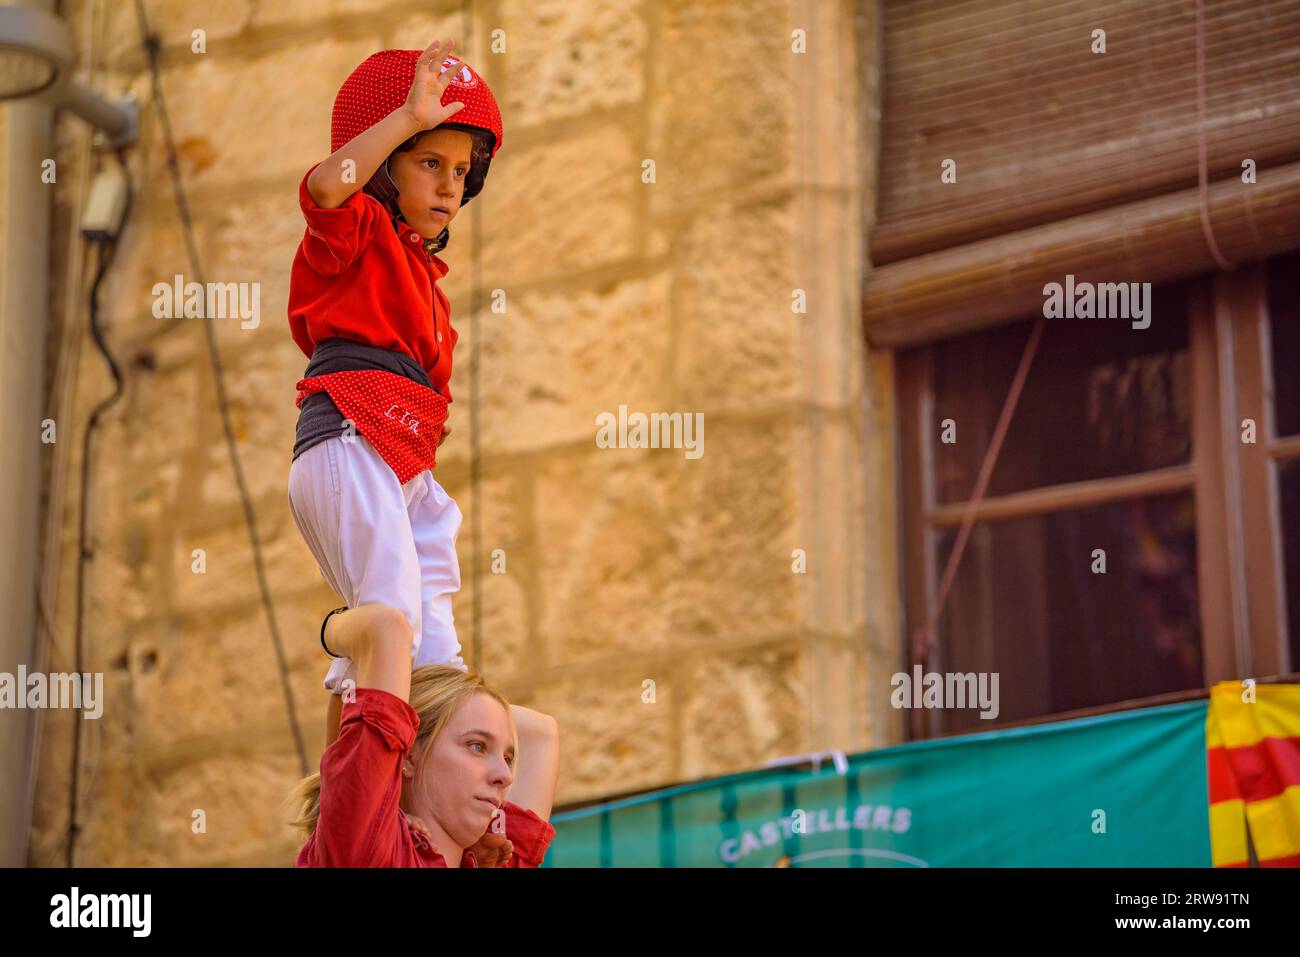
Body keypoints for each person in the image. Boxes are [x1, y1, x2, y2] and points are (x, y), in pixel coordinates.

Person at [286, 38, 503, 698]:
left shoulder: (427, 284)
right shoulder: (354, 235)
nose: (449, 184)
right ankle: (361, 763)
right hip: (351, 439)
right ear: (383, 169)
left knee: (439, 648)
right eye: (429, 160)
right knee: (393, 614)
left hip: (402, 463)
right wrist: (409, 116)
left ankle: (424, 776)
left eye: (462, 170)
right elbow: (327, 186)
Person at [289, 604, 559, 868]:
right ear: (408, 755)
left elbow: (386, 629)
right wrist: (440, 687)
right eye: (477, 745)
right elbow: (541, 735)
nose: (506, 776)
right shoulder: (379, 851)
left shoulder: (371, 849)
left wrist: (331, 630)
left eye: (508, 758)